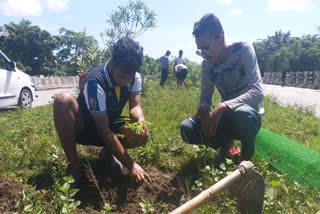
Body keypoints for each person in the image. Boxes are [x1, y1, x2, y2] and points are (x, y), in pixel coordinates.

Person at [53, 38, 150, 186]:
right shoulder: (95, 82)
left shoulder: (133, 76)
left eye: (130, 77)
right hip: (86, 129)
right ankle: (74, 169)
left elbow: (135, 106)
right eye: (122, 76)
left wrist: (140, 121)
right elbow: (103, 130)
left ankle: (107, 154)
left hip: (109, 125)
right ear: (112, 64)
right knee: (62, 101)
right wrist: (131, 164)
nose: (126, 81)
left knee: (140, 135)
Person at [180, 13, 264, 161]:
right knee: (187, 129)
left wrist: (225, 105)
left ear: (220, 39)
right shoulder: (207, 64)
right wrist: (204, 110)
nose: (204, 55)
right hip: (224, 116)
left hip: (247, 114)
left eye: (206, 49)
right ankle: (225, 146)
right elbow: (205, 97)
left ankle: (246, 157)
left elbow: (257, 91)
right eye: (200, 51)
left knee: (245, 117)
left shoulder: (243, 50)